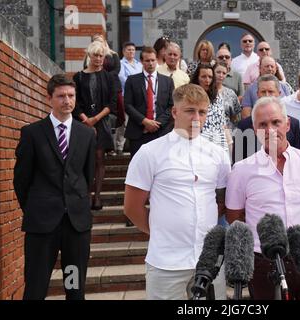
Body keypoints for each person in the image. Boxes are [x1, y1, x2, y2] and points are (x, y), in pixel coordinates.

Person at [124, 84, 231, 300]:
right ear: (175, 112)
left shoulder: (218, 154)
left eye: (202, 112)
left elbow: (222, 201)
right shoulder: (150, 153)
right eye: (190, 110)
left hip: (208, 261)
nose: (196, 118)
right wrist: (162, 231)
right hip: (166, 262)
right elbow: (132, 207)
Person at [226, 96, 300, 300]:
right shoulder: (241, 171)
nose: (270, 129)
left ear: (287, 124)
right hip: (263, 262)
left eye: (276, 122)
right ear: (254, 128)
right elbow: (234, 216)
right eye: (263, 124)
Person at [13, 74, 95, 300]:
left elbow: (88, 177)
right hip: (41, 226)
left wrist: (76, 204)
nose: (66, 101)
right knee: (36, 289)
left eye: (71, 95)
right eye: (60, 96)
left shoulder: (86, 134)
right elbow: (21, 180)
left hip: (76, 228)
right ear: (49, 98)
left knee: (74, 289)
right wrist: (35, 208)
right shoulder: (32, 133)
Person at [73, 41, 117, 211]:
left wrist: (95, 119)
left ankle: (97, 196)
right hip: (82, 122)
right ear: (89, 55)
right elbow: (75, 103)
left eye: (101, 56)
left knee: (99, 159)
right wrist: (86, 120)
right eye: (95, 55)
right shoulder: (78, 77)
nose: (98, 59)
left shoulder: (109, 77)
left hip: (102, 123)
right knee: (85, 160)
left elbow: (112, 103)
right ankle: (87, 195)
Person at [234, 74, 300, 161]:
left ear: (279, 93)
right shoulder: (244, 125)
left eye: (271, 91)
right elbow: (238, 160)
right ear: (257, 94)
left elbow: (296, 157)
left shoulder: (293, 124)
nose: (267, 95)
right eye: (263, 92)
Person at [124, 46, 175, 158]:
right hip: (138, 132)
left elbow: (171, 106)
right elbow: (127, 105)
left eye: (153, 60)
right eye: (147, 61)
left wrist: (157, 123)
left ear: (156, 60)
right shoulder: (132, 80)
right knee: (138, 168)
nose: (150, 63)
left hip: (160, 132)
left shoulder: (168, 81)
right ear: (142, 61)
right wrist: (145, 121)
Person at [191, 63, 229, 151]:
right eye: (203, 77)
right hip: (197, 144)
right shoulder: (189, 97)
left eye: (210, 77)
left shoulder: (218, 97)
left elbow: (222, 124)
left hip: (218, 144)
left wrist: (227, 145)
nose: (207, 80)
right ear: (197, 78)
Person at [116, 41, 143, 155]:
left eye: (133, 50)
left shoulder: (139, 64)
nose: (131, 52)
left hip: (139, 98)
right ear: (123, 51)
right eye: (129, 50)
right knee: (124, 122)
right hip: (125, 96)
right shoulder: (121, 64)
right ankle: (119, 146)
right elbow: (122, 78)